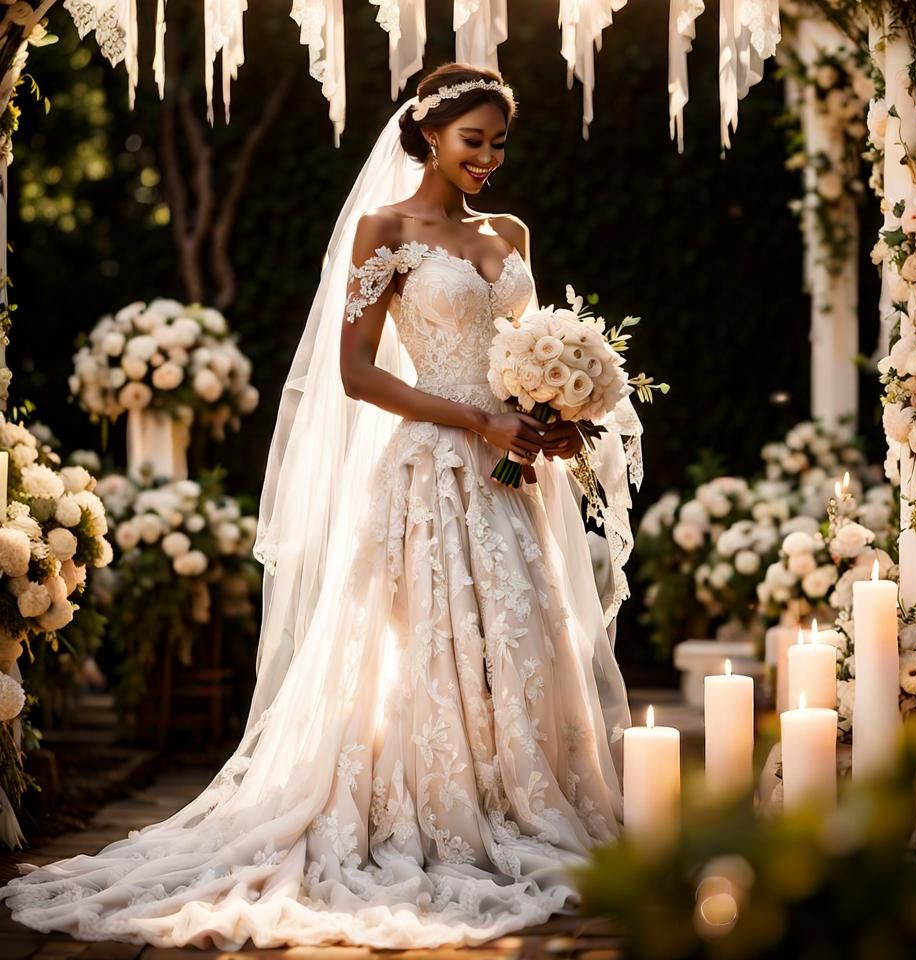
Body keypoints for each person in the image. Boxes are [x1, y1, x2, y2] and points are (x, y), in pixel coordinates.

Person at [0, 62, 643, 951]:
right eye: (473, 141)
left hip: (510, 473)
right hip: (431, 468)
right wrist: (476, 420)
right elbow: (356, 371)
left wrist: (550, 417)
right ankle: (429, 809)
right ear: (427, 135)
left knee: (523, 641)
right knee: (427, 647)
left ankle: (519, 804)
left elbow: (517, 354)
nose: (489, 158)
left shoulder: (511, 232)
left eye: (499, 142)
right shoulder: (385, 230)